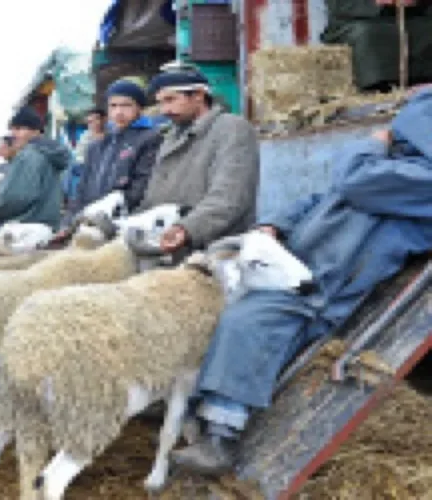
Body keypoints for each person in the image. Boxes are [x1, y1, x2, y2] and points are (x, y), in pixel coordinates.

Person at [172, 87, 432, 475]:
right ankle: (181, 408)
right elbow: (322, 197)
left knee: (250, 322)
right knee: (206, 297)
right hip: (299, 260)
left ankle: (220, 436)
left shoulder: (418, 179)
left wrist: (373, 145)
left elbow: (354, 181)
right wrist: (276, 223)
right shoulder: (391, 165)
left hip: (325, 285)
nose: (392, 131)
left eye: (403, 126)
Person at [127, 65, 260, 256]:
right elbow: (153, 198)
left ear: (198, 95)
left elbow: (229, 198)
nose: (164, 110)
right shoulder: (170, 136)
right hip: (167, 246)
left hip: (214, 252)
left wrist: (187, 229)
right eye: (161, 103)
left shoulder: (231, 128)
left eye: (171, 100)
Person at [58, 78, 161, 234]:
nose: (119, 112)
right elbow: (81, 191)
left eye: (126, 105)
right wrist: (68, 223)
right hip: (90, 224)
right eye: (113, 106)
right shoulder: (97, 146)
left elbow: (141, 188)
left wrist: (107, 216)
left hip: (125, 224)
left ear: (139, 108)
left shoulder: (150, 139)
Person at [0, 107, 70, 232]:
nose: (14, 134)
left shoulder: (29, 156)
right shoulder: (49, 154)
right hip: (46, 227)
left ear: (36, 131)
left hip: (24, 229)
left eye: (19, 129)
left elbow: (15, 197)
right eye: (13, 130)